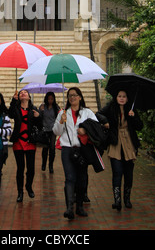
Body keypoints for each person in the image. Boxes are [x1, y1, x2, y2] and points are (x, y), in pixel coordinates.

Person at [52, 87, 98, 220]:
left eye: (75, 95)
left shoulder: (87, 112)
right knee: (70, 178)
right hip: (67, 149)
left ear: (80, 97)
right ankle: (69, 208)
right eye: (70, 95)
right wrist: (61, 121)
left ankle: (80, 206)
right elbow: (56, 132)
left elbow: (96, 127)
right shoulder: (63, 113)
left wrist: (85, 130)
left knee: (82, 178)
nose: (72, 97)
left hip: (82, 149)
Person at [97, 90, 143, 211]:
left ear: (127, 99)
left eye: (124, 96)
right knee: (117, 172)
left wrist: (133, 117)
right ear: (116, 97)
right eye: (119, 96)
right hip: (115, 142)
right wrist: (105, 122)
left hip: (129, 143)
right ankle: (117, 200)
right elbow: (97, 114)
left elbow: (140, 126)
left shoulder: (131, 109)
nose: (121, 98)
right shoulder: (110, 108)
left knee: (128, 173)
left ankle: (127, 199)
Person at [8, 89, 42, 202]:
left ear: (29, 97)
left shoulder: (34, 109)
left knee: (31, 168)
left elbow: (40, 126)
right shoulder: (16, 108)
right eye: (21, 92)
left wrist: (38, 117)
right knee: (20, 168)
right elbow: (10, 114)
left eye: (25, 93)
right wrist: (13, 100)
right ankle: (20, 192)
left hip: (30, 142)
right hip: (18, 141)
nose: (23, 93)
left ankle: (28, 186)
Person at [39, 91, 60, 173]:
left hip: (53, 130)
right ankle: (43, 164)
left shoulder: (56, 108)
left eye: (52, 99)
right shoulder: (42, 107)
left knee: (52, 148)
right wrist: (41, 111)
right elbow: (39, 117)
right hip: (45, 130)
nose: (50, 100)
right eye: (49, 99)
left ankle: (50, 165)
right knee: (45, 148)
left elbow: (59, 118)